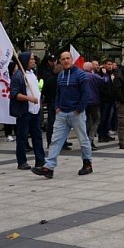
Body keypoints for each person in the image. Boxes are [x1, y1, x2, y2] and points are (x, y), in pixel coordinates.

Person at [32, 50, 92, 179]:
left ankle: (87, 163)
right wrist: (57, 107)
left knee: (83, 140)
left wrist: (79, 109)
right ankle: (49, 167)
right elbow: (58, 92)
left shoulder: (81, 75)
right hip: (62, 113)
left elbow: (86, 94)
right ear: (60, 61)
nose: (65, 61)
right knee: (55, 141)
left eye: (67, 58)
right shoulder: (60, 75)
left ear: (72, 59)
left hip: (76, 113)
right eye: (63, 59)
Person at [9, 52, 45, 170]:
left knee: (37, 136)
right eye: (31, 59)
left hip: (35, 111)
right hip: (24, 111)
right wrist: (29, 98)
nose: (34, 61)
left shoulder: (32, 73)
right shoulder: (18, 75)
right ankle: (22, 161)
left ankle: (40, 160)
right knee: (22, 137)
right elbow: (14, 94)